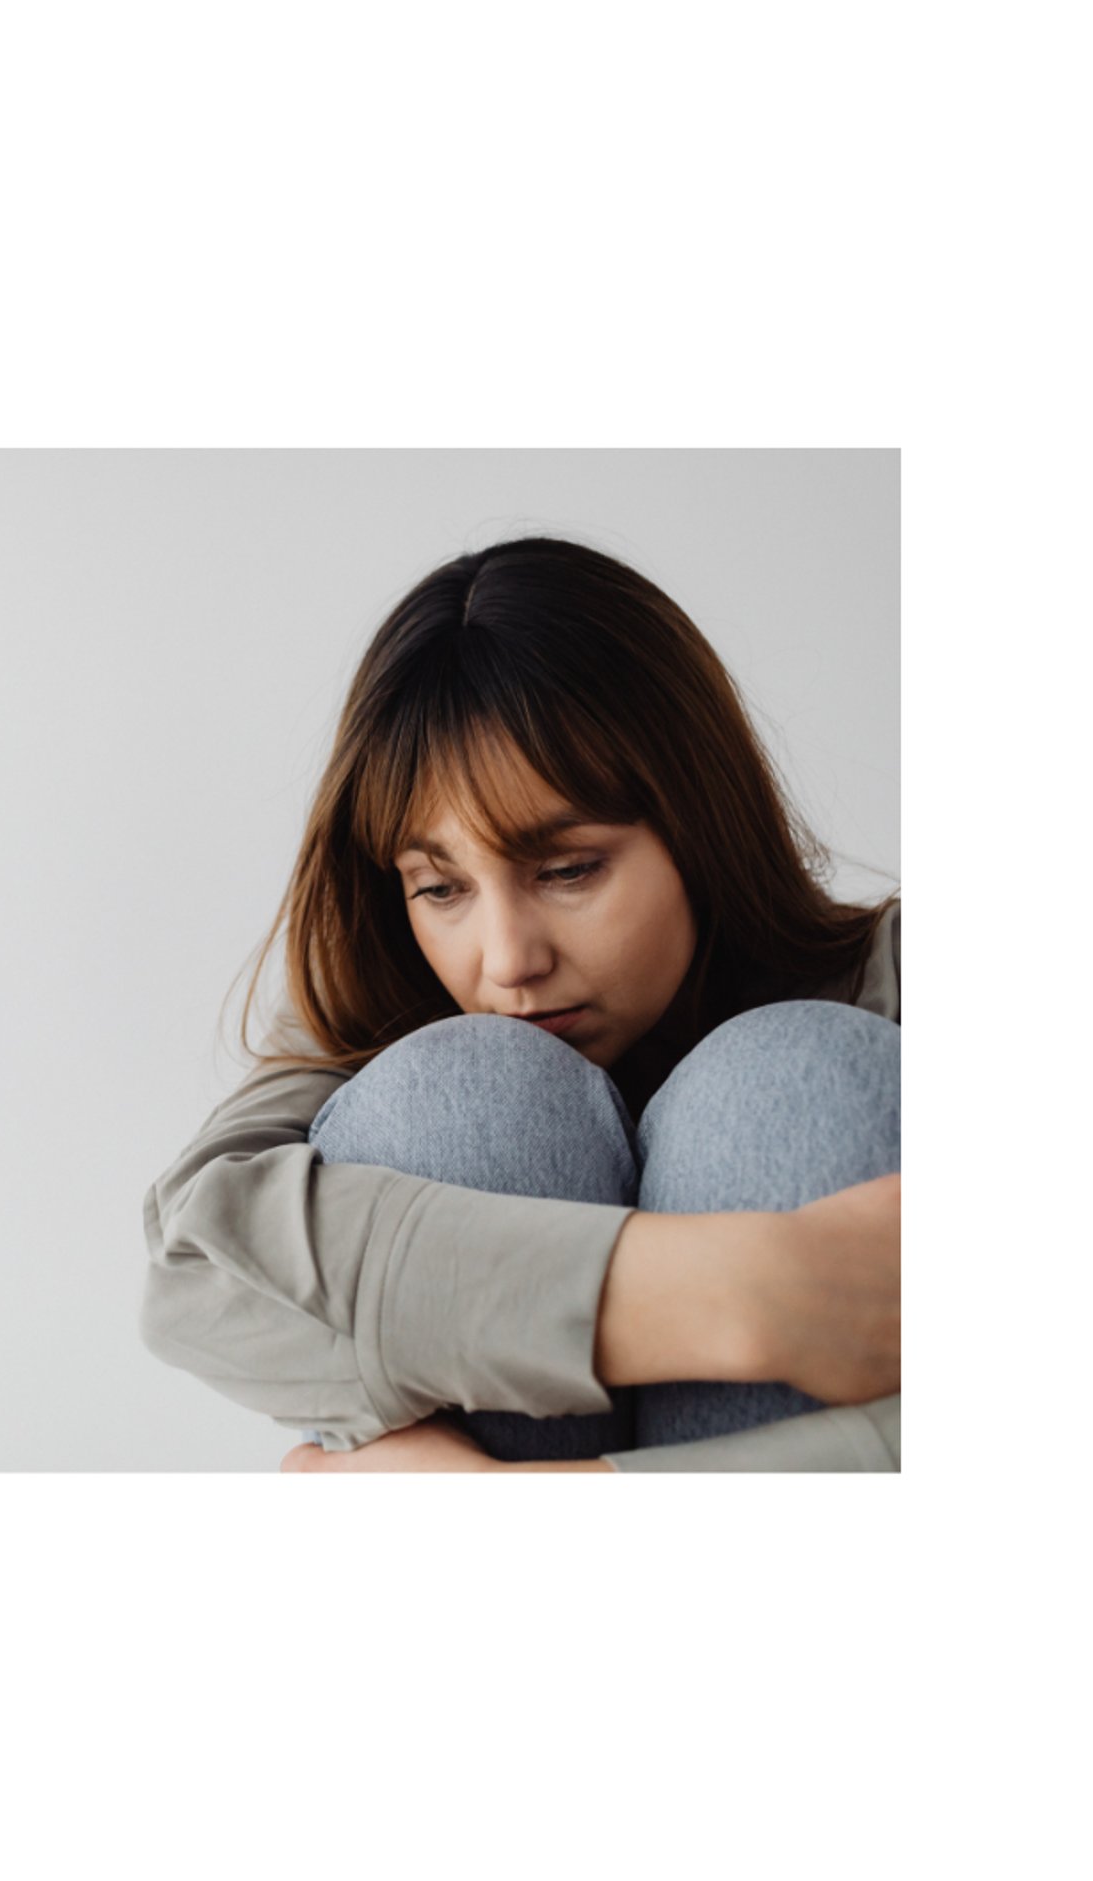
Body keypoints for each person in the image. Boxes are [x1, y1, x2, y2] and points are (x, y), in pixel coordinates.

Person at [140, 535, 900, 1472]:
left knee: (795, 1076)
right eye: (440, 888)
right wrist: (748, 1290)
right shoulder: (383, 1012)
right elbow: (198, 1275)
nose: (506, 962)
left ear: (700, 824)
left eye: (569, 869)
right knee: (462, 1091)